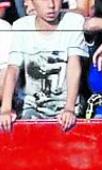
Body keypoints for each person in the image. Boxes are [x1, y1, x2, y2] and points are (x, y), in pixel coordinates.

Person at [0, 0, 88, 132]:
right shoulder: (21, 26)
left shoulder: (73, 21)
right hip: (31, 106)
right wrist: (6, 108)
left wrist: (69, 108)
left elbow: (74, 65)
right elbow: (13, 68)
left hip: (66, 106)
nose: (51, 5)